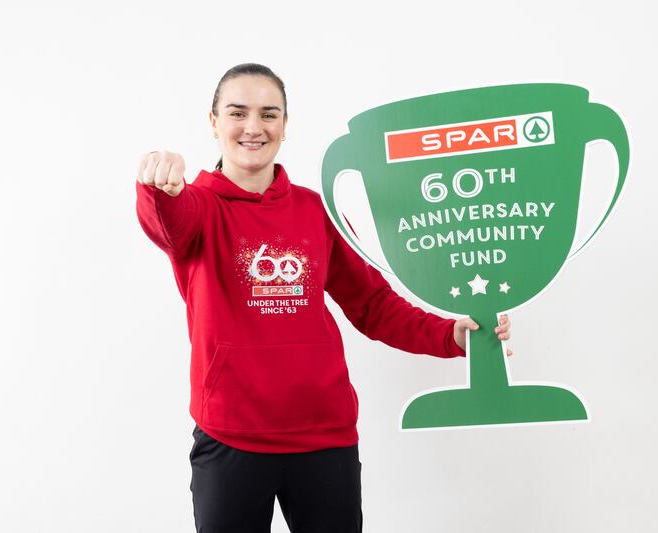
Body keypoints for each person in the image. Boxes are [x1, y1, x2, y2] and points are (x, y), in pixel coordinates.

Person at [134, 63, 512, 533]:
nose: (254, 127)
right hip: (231, 438)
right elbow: (168, 224)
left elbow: (372, 304)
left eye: (269, 114)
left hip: (323, 439)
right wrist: (157, 187)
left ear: (285, 126)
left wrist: (449, 334)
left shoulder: (315, 210)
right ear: (214, 123)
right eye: (238, 113)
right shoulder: (197, 205)